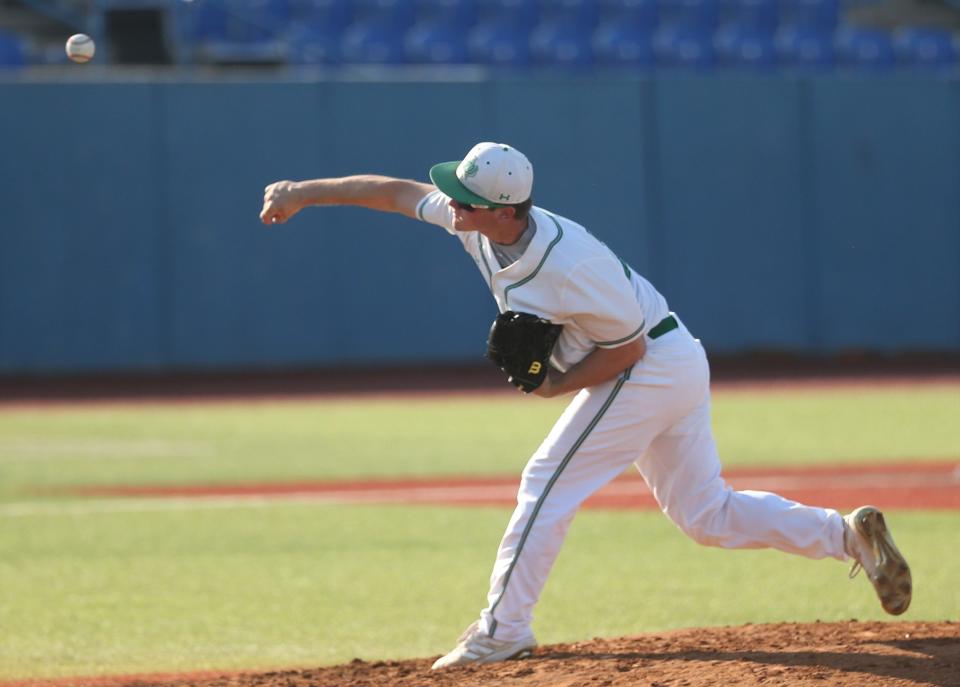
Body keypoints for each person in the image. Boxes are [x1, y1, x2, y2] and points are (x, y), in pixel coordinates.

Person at [259, 142, 912, 670]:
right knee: (705, 514)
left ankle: (500, 630)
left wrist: (553, 387)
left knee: (545, 480)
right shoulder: (478, 226)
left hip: (649, 363)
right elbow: (398, 193)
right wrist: (303, 193)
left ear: (505, 209)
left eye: (465, 198)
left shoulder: (567, 264)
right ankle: (847, 535)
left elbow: (625, 349)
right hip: (670, 356)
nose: (451, 203)